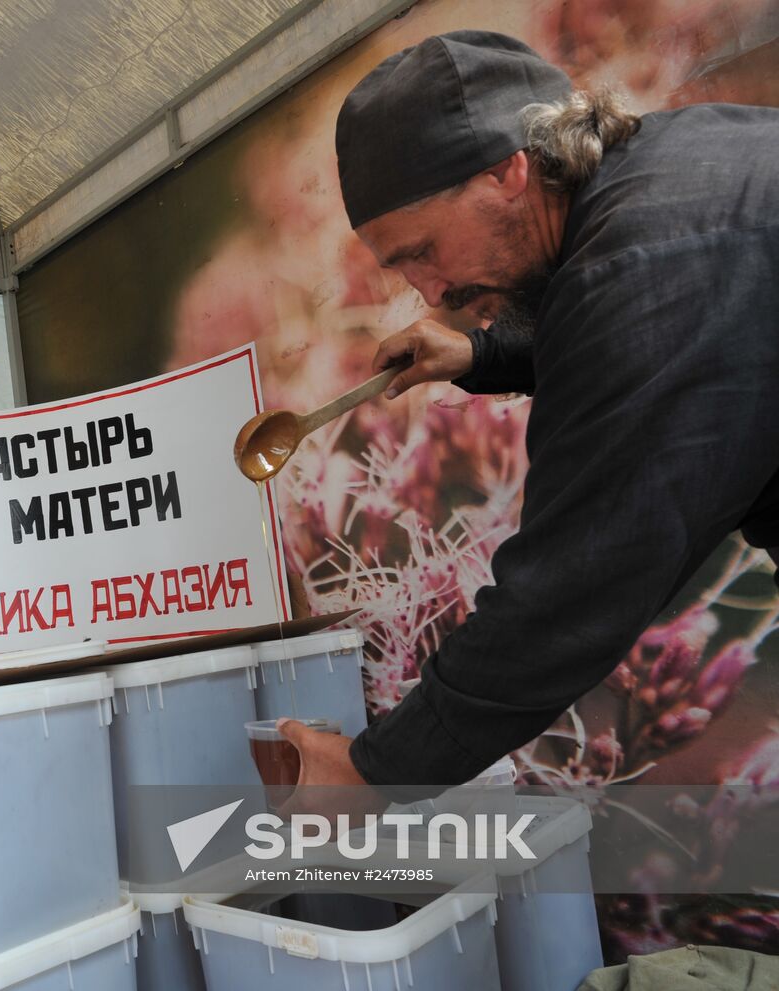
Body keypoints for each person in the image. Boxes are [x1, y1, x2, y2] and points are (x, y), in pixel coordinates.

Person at [278, 30, 779, 798]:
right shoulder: (670, 175)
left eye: (423, 249)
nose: (426, 290)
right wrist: (484, 355)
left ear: (509, 170)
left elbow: (568, 594)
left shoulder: (645, 268)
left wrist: (370, 773)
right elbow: (678, 347)